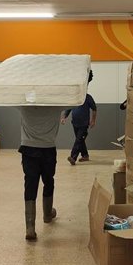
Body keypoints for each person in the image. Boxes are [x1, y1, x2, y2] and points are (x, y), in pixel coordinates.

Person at [18, 106, 64, 241]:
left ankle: (30, 228)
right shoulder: (57, 106)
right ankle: (47, 215)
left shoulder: (23, 106)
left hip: (28, 149)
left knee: (30, 184)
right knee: (48, 181)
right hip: (48, 149)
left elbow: (7, 97)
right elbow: (77, 99)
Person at [61, 89, 97, 165]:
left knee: (78, 140)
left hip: (84, 124)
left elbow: (94, 109)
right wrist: (64, 117)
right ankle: (85, 155)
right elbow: (68, 109)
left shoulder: (87, 97)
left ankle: (73, 157)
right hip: (75, 123)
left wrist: (93, 120)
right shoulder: (74, 98)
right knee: (80, 140)